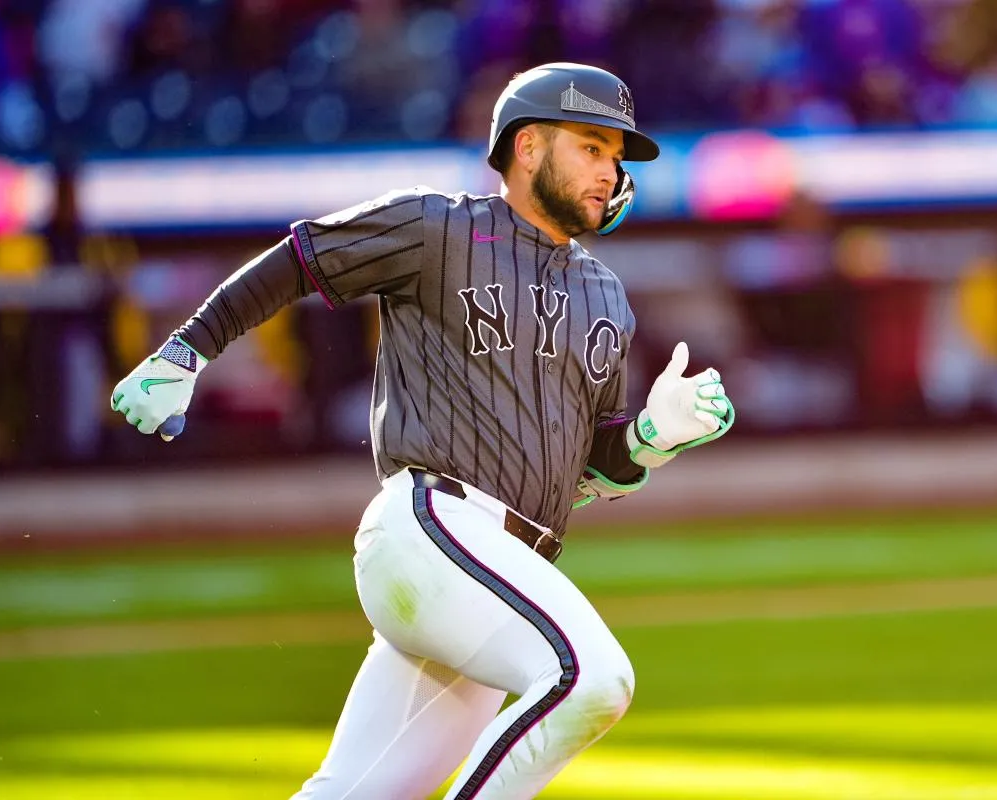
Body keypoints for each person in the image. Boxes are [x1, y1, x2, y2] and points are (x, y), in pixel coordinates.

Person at [110, 62, 734, 799]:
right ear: (528, 146)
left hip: (500, 566)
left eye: (616, 156)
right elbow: (300, 259)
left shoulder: (607, 296)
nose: (611, 170)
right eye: (592, 147)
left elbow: (583, 470)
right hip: (432, 527)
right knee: (590, 679)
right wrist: (187, 348)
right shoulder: (438, 226)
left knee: (356, 792)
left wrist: (647, 441)